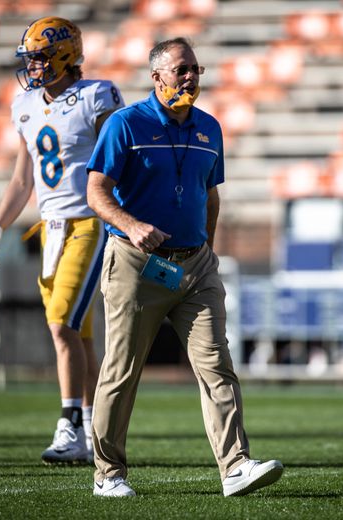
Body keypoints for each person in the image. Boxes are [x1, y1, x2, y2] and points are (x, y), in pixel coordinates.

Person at [86, 37, 283, 497]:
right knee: (121, 370)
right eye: (182, 70)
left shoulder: (210, 128)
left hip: (195, 267)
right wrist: (131, 225)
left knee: (218, 364)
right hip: (136, 265)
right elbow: (96, 192)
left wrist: (207, 249)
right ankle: (107, 474)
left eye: (196, 68)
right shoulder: (125, 124)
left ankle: (235, 466)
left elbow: (210, 195)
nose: (191, 76)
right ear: (157, 78)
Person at [0, 16, 124, 464]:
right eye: (31, 58)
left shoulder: (96, 96)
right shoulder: (24, 103)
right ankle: (94, 430)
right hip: (51, 229)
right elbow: (23, 178)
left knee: (60, 324)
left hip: (89, 222)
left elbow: (122, 160)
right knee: (78, 338)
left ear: (65, 55)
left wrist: (127, 218)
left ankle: (69, 425)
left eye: (41, 57)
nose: (34, 66)